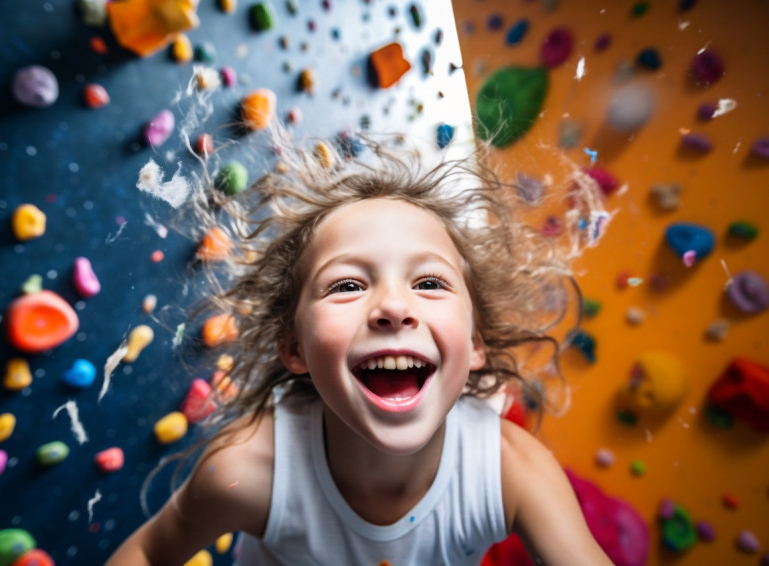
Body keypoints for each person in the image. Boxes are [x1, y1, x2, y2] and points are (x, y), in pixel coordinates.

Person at [107, 134, 613, 565]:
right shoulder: (248, 469)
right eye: (347, 285)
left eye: (430, 282)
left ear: (475, 344)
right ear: (295, 348)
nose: (394, 306)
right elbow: (152, 553)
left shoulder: (509, 472)